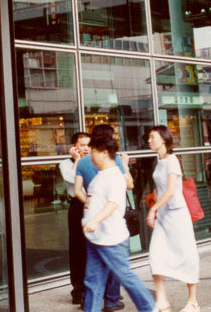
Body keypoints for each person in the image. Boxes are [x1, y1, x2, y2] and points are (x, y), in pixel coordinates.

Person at [82, 132, 160, 312]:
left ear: (103, 153)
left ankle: (150, 308)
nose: (90, 154)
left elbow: (113, 203)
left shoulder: (114, 176)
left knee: (125, 276)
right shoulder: (101, 175)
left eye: (93, 151)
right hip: (96, 238)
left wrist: (94, 220)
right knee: (93, 282)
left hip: (111, 239)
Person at [75, 124, 132, 312]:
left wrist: (89, 206)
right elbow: (129, 185)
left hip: (92, 217)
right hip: (111, 216)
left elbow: (77, 190)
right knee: (117, 263)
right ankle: (112, 299)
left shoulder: (83, 161)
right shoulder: (114, 160)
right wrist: (126, 165)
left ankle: (88, 299)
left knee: (93, 264)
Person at [146, 126, 199, 312]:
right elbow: (161, 188)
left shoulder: (172, 161)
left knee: (186, 254)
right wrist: (154, 197)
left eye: (153, 137)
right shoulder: (159, 161)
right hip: (164, 215)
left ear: (164, 139)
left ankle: (193, 301)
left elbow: (170, 192)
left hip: (176, 215)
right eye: (149, 138)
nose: (149, 141)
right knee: (156, 255)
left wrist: (153, 209)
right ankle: (161, 300)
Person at [59, 131, 91, 305]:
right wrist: (78, 160)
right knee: (78, 249)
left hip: (94, 206)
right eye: (82, 145)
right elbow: (71, 179)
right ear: (74, 147)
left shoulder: (95, 161)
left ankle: (100, 288)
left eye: (88, 144)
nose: (86, 148)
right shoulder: (65, 163)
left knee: (96, 248)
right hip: (78, 207)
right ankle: (78, 291)